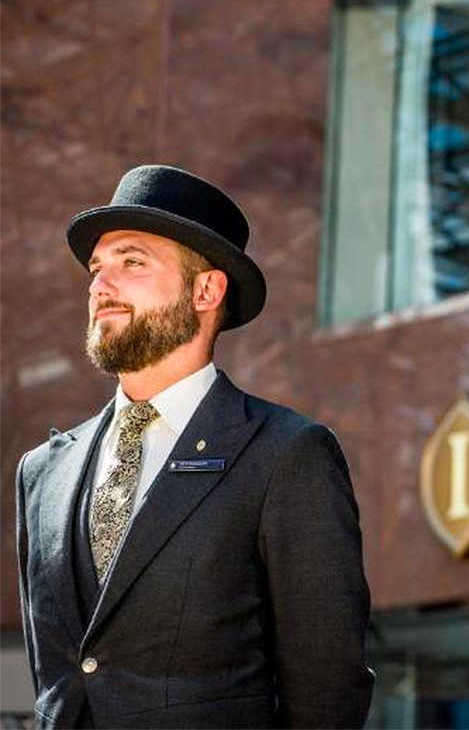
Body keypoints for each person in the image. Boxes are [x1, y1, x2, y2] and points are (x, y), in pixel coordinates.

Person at [14, 165, 373, 729]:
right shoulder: (41, 472)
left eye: (132, 263)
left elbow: (328, 691)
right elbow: (57, 680)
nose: (100, 286)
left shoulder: (285, 455)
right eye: (97, 268)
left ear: (206, 289)